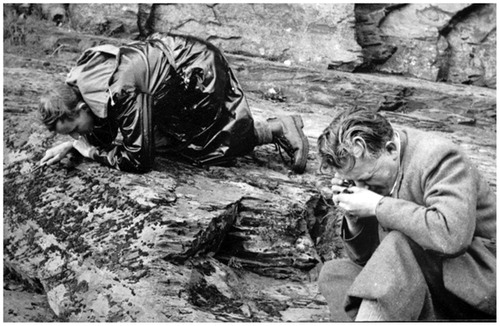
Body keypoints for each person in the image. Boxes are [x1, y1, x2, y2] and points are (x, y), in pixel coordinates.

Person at [316, 106, 495, 321]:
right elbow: (368, 262)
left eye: (367, 178)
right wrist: (354, 217)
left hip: (478, 284)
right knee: (335, 274)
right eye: (353, 181)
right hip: (422, 284)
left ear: (391, 149)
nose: (362, 187)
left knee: (399, 241)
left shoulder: (439, 156)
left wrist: (377, 205)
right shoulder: (377, 175)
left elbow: (452, 236)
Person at [38, 32, 309, 173]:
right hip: (170, 73)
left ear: (82, 108)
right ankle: (272, 127)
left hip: (195, 71)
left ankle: (278, 127)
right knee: (160, 141)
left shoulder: (120, 91)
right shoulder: (79, 85)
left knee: (205, 148)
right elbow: (103, 127)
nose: (77, 134)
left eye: (73, 129)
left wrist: (90, 152)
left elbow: (138, 160)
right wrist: (73, 145)